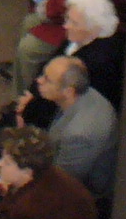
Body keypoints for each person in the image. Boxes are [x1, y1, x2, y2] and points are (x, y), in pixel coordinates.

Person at [34, 55, 116, 197]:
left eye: (47, 80)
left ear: (68, 91)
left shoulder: (78, 134)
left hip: (80, 191)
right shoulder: (87, 94)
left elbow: (60, 180)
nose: (39, 80)